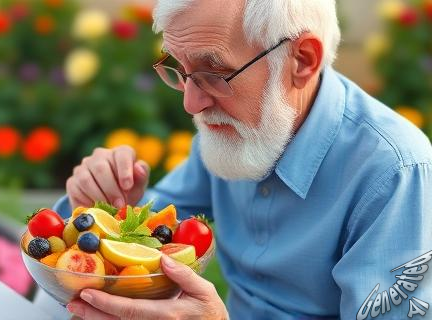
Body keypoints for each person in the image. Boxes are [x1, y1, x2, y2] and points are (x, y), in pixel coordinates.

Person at [50, 0, 432, 319]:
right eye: (181, 71)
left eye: (214, 73)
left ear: (302, 60)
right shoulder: (236, 127)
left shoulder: (395, 173)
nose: (190, 103)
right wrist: (101, 205)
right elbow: (151, 232)